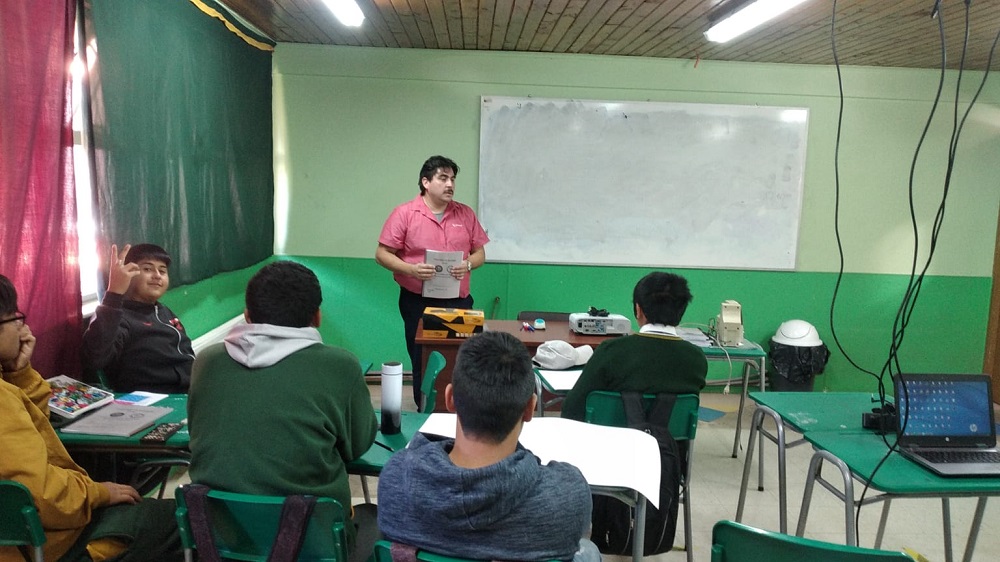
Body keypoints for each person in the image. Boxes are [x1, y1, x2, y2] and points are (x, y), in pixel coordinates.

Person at [187, 261, 379, 562]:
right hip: (313, 540)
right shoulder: (340, 365)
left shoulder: (207, 361)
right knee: (375, 518)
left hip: (219, 539)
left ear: (248, 315)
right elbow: (358, 444)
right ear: (317, 316)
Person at [0, 274, 182, 562]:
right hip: (45, 547)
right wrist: (98, 493)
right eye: (14, 318)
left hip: (30, 539)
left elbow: (36, 433)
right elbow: (42, 495)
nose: (22, 327)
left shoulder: (7, 390)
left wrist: (20, 374)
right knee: (181, 520)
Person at [377, 331, 600, 561]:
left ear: (450, 398)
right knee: (588, 552)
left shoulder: (395, 478)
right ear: (530, 408)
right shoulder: (568, 497)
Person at [376, 155, 490, 405]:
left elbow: (480, 252)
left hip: (458, 301)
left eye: (452, 179)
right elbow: (382, 254)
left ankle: (461, 408)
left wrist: (468, 264)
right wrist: (410, 269)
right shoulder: (404, 214)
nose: (450, 184)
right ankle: (424, 407)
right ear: (425, 182)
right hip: (418, 301)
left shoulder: (465, 214)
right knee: (422, 358)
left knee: (463, 358)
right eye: (443, 178)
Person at [561, 271, 708, 421]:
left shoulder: (611, 351)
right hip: (671, 443)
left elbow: (571, 409)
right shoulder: (696, 358)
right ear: (681, 310)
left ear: (638, 310)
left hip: (614, 441)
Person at [82, 243, 194, 394]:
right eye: (147, 269)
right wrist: (114, 293)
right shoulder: (118, 315)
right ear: (129, 274)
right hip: (158, 397)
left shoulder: (164, 311)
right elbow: (96, 358)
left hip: (191, 387)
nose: (157, 275)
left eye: (162, 271)